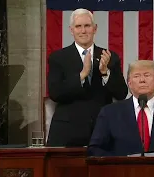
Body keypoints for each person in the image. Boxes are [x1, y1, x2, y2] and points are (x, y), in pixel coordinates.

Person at [47, 8, 128, 147]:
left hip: (102, 129)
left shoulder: (109, 57)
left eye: (87, 26)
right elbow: (55, 93)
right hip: (67, 133)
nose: (83, 31)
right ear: (71, 30)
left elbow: (121, 93)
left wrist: (105, 73)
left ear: (95, 29)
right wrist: (82, 75)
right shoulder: (58, 58)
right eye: (78, 26)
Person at [87, 60, 154, 156]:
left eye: (147, 75)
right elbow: (95, 149)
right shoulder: (110, 113)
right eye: (136, 76)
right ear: (129, 83)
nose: (142, 80)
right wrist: (120, 164)